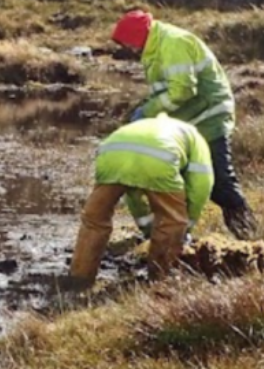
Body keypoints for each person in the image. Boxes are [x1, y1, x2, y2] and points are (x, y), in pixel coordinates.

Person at [109, 10, 258, 240]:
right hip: (190, 121)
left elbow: (183, 89)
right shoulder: (155, 47)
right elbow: (165, 91)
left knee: (220, 182)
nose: (128, 49)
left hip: (209, 116)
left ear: (138, 36)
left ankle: (250, 237)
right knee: (183, 179)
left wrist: (147, 112)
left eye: (128, 43)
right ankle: (176, 234)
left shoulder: (173, 43)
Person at [69, 114, 213, 283]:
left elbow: (134, 195)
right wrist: (187, 227)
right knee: (172, 221)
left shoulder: (143, 125)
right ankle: (159, 278)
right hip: (160, 159)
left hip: (110, 153)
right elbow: (201, 185)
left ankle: (79, 278)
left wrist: (146, 227)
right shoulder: (195, 138)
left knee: (94, 219)